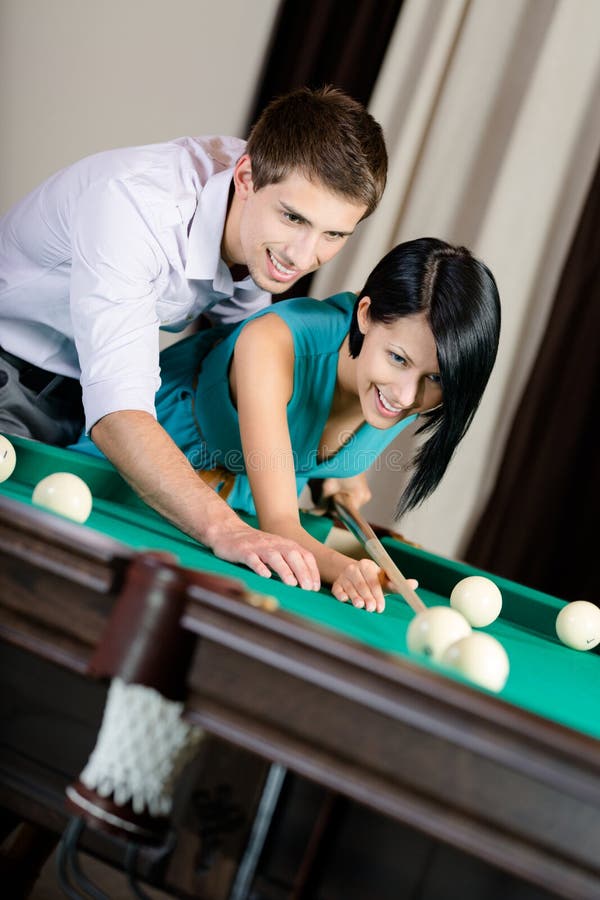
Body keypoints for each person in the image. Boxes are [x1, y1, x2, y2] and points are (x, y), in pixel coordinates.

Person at [0, 86, 387, 588]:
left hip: (85, 393)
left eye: (333, 235)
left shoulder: (254, 219)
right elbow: (118, 415)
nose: (301, 255)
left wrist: (321, 457)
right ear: (246, 177)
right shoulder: (135, 209)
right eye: (293, 218)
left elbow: (249, 349)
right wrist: (229, 530)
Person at [73, 238, 502, 612]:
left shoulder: (397, 385)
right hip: (133, 479)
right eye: (398, 360)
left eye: (436, 379)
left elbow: (318, 430)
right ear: (366, 316)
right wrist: (351, 570)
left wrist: (343, 474)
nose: (407, 397)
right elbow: (280, 525)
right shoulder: (274, 341)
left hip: (235, 520)